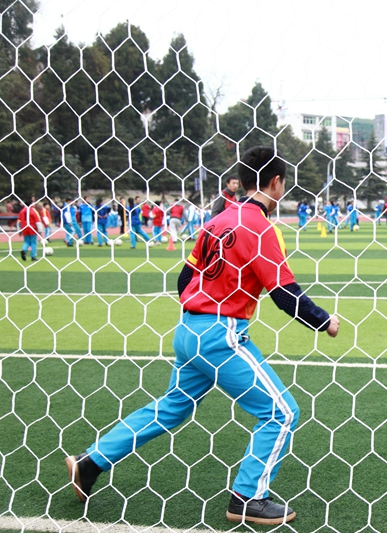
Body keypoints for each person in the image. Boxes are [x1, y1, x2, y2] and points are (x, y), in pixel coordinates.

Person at [65, 146, 339, 526]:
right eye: (283, 183)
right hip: (220, 335)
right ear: (276, 183)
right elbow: (283, 293)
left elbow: (183, 279)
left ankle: (90, 462)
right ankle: (248, 497)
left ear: (242, 180)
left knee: (172, 407)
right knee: (281, 412)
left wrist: (204, 304)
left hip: (188, 329)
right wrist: (324, 321)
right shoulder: (260, 227)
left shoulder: (218, 220)